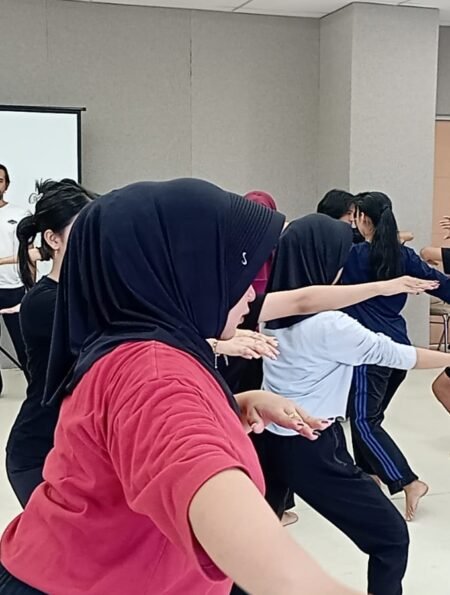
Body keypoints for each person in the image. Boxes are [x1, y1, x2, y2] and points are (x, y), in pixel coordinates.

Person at [0, 179, 363, 595]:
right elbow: (259, 552)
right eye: (233, 270)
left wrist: (232, 405)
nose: (249, 290)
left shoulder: (140, 345)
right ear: (187, 273)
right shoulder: (152, 372)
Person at [256, 214, 450, 595]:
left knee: (254, 543)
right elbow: (398, 354)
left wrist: (384, 285)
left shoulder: (269, 312)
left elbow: (307, 297)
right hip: (311, 444)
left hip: (268, 438)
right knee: (391, 537)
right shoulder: (330, 327)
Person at [343, 191, 450, 521]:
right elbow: (443, 286)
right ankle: (368, 475)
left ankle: (408, 481)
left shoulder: (353, 256)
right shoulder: (404, 257)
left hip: (369, 351)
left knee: (363, 421)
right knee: (367, 418)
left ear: (362, 219)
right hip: (399, 352)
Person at [5, 179, 96, 508]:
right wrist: (212, 344)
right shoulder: (45, 302)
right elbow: (120, 341)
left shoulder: (89, 294)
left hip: (74, 448)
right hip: (40, 451)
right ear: (52, 239)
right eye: (82, 229)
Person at [0, 164, 30, 394]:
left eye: (0, 180)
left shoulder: (20, 214)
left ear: (6, 184)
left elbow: (29, 253)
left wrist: (32, 286)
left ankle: (37, 390)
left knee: (24, 345)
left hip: (13, 287)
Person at [317, 188, 414, 245]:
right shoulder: (319, 241)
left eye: (354, 214)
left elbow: (408, 235)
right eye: (348, 213)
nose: (352, 219)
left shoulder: (354, 236)